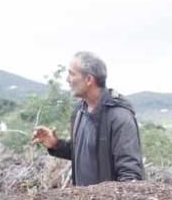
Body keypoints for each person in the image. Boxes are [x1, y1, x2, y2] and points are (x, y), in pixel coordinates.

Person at [32, 51, 145, 185]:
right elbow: (84, 153)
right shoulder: (80, 111)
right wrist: (55, 144)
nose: (67, 79)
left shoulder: (119, 117)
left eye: (72, 74)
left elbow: (130, 174)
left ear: (89, 80)